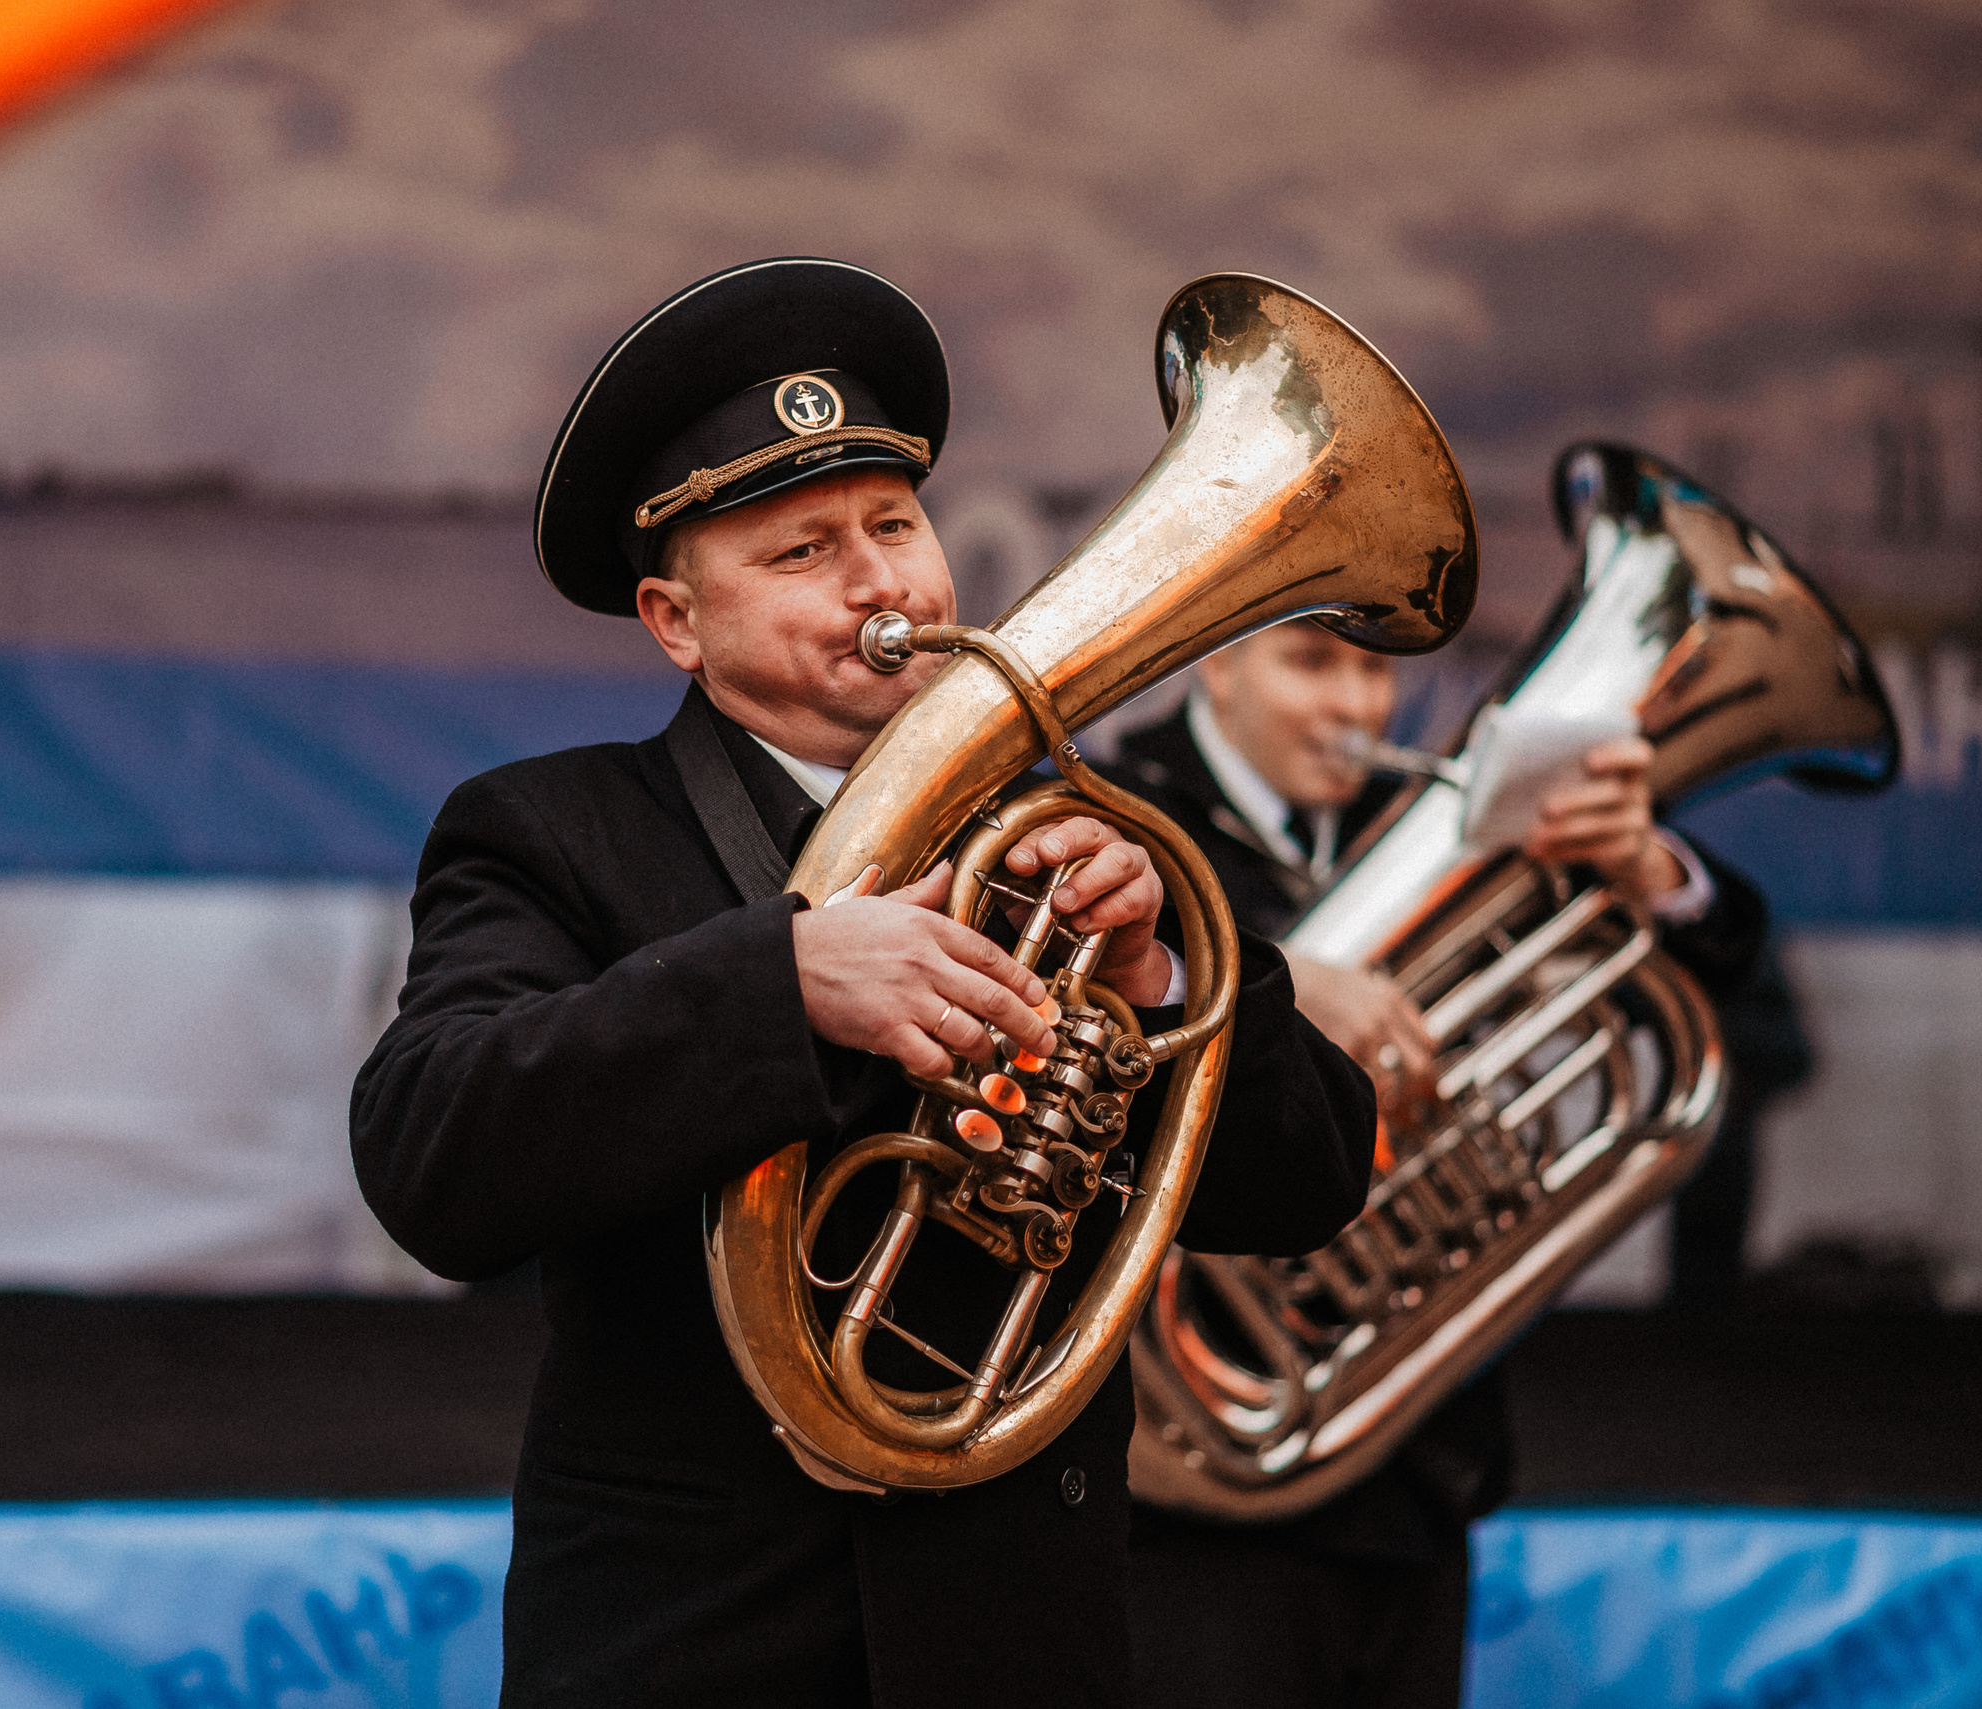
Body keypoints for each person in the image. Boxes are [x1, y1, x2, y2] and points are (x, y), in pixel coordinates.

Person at [350, 258, 1378, 1709]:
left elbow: (1309, 1182)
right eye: (803, 552)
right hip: (695, 1649)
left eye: (896, 524)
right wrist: (774, 985)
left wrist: (1156, 979)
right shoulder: (550, 832)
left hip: (1025, 1645)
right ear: (675, 620)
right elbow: (427, 1153)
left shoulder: (1068, 845)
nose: (883, 580)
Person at [1109, 619, 1767, 1709]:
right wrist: (1271, 980)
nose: (1354, 708)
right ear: (1219, 663)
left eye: (1373, 671)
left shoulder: (1438, 812)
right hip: (1184, 1496)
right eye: (1310, 663)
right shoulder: (1114, 809)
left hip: (1413, 1465)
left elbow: (1730, 953)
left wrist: (1649, 864)